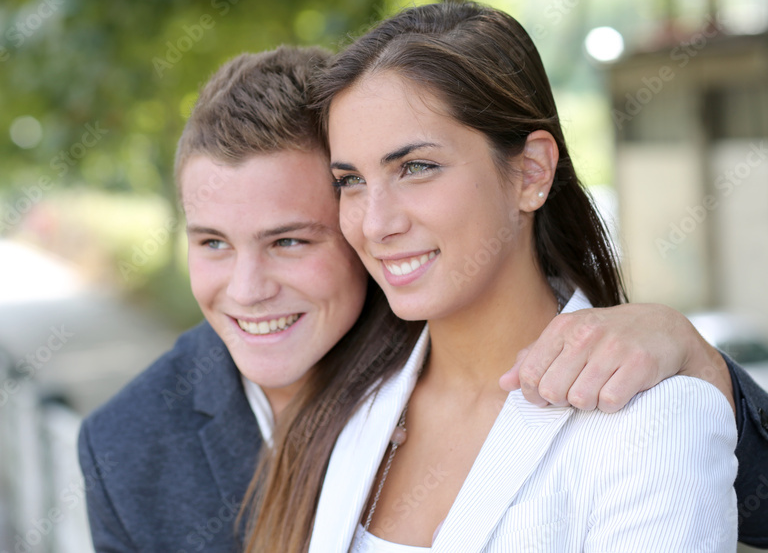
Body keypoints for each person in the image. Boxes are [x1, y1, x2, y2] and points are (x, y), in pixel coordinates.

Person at [79, 44, 768, 553]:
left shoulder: (437, 309)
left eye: (291, 241)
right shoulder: (128, 447)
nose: (249, 289)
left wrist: (691, 352)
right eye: (212, 243)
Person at [243, 3, 748, 553]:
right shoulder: (346, 395)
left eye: (416, 167)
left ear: (530, 173)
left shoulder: (652, 422)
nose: (375, 223)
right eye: (351, 180)